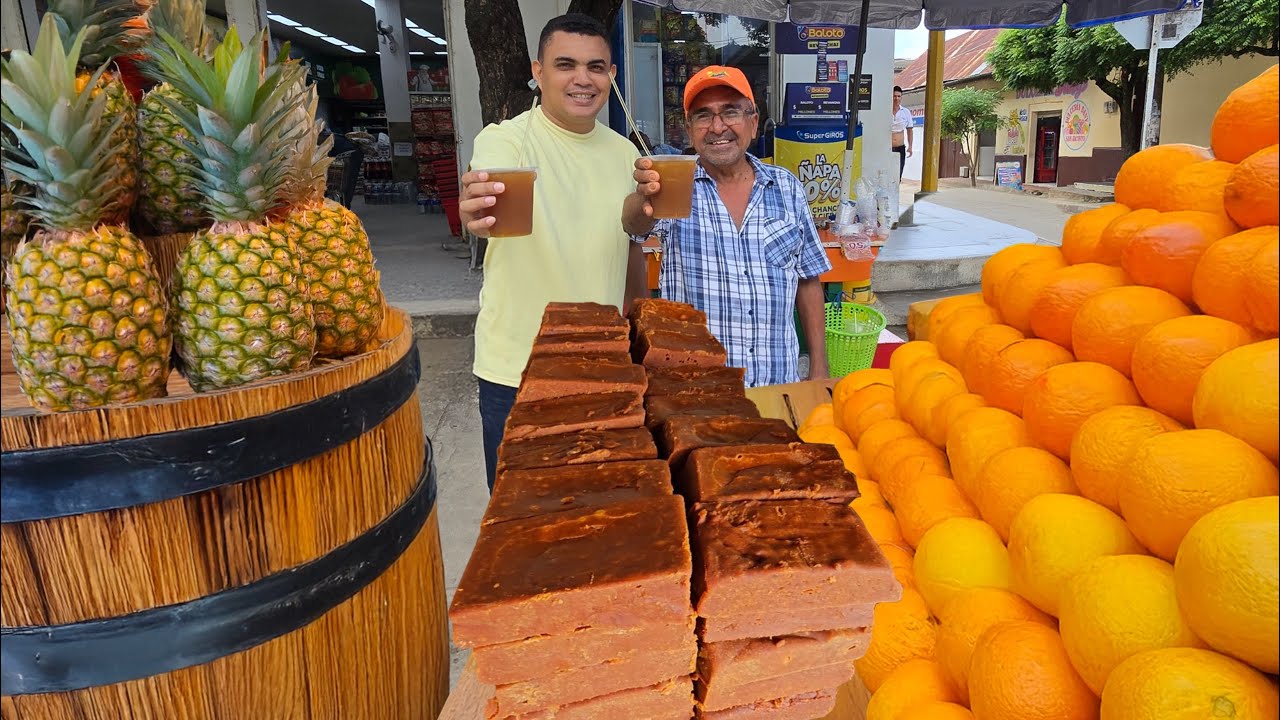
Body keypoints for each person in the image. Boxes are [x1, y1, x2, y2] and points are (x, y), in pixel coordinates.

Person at [458, 14, 641, 491]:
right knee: (519, 524)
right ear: (538, 72)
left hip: (599, 368)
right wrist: (475, 210)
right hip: (517, 370)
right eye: (566, 65)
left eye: (596, 67)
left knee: (595, 512)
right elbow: (485, 192)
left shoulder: (626, 154)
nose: (583, 79)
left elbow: (628, 239)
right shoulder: (506, 139)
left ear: (611, 77)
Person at [622, 65, 832, 389]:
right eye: (704, 116)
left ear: (753, 122)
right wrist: (644, 197)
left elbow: (808, 280)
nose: (718, 127)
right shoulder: (674, 184)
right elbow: (633, 225)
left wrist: (819, 369)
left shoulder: (787, 188)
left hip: (778, 387)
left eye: (730, 112)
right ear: (689, 129)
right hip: (697, 393)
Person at [892, 85, 914, 180]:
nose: (896, 98)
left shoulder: (906, 112)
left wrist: (910, 146)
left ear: (901, 97)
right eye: (894, 96)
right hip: (887, 147)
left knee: (898, 175)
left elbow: (909, 130)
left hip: (900, 148)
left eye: (898, 96)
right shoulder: (885, 111)